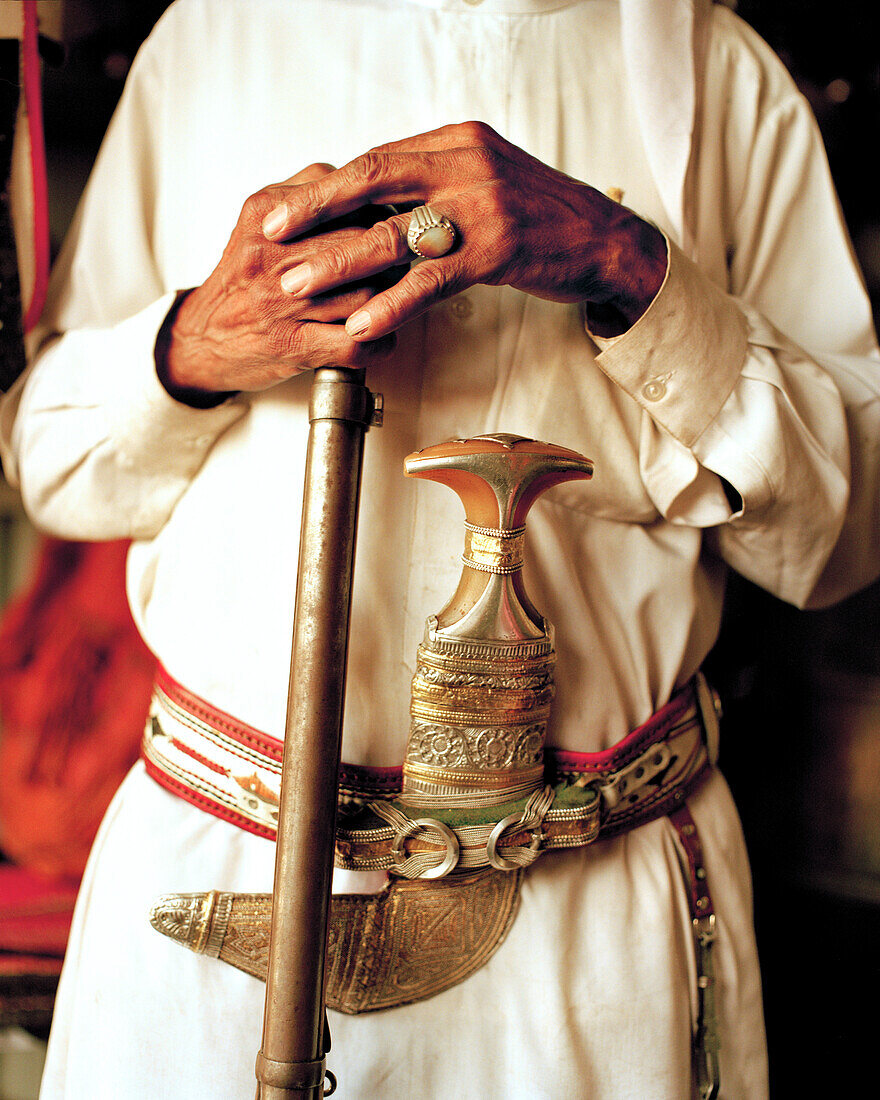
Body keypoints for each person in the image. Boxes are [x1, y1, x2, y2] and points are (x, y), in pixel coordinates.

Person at [2, 0, 879, 1096]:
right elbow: (54, 463)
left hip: (591, 921)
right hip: (224, 888)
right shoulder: (213, 34)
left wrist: (627, 266)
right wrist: (196, 342)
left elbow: (843, 536)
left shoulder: (717, 70)